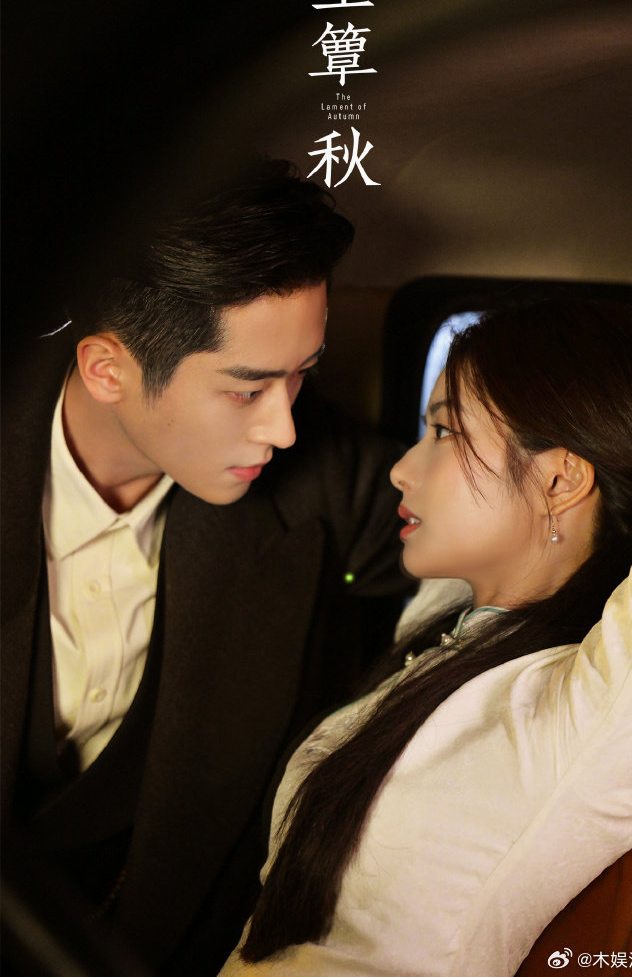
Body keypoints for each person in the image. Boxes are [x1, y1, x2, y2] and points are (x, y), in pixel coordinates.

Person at [0, 159, 409, 976]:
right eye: (247, 389)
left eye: (303, 374)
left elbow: (494, 536)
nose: (285, 429)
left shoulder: (328, 480)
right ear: (106, 369)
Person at [221, 299, 632, 976]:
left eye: (444, 431)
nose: (401, 469)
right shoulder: (456, 626)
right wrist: (600, 372)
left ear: (560, 479)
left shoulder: (589, 711)